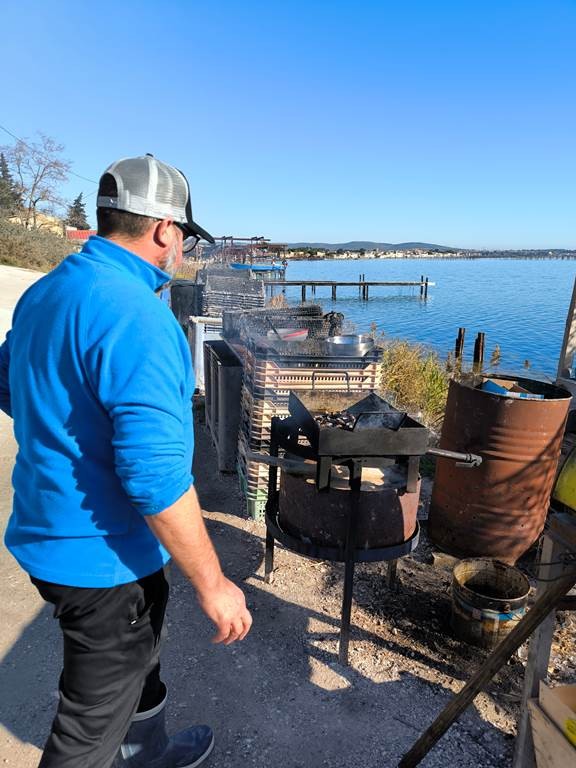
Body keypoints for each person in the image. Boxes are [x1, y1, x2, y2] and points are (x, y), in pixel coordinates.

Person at [0, 154, 252, 768]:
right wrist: (214, 585)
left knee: (139, 661)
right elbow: (156, 477)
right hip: (100, 561)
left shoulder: (48, 290)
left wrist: (69, 433)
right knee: (88, 728)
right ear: (166, 229)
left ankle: (148, 752)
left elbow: (10, 387)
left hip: (49, 532)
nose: (184, 251)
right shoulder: (140, 317)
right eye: (186, 237)